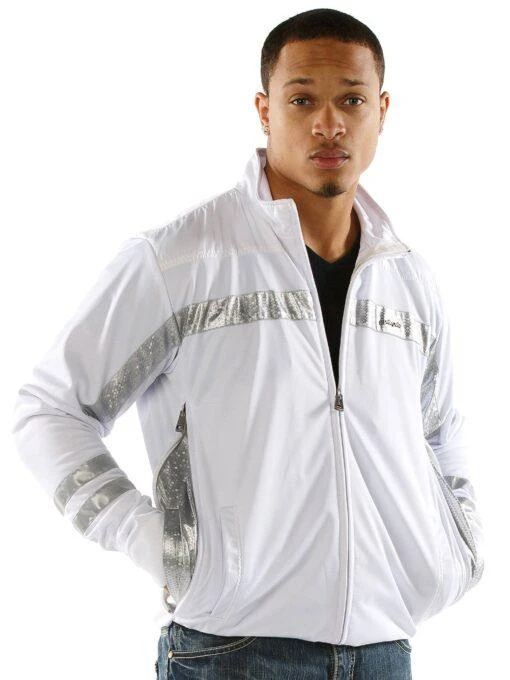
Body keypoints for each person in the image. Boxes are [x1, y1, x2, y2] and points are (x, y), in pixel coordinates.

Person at [11, 8, 485, 680]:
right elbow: (49, 409)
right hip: (233, 652)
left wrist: (454, 551)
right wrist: (156, 545)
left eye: (352, 100)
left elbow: (439, 430)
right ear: (265, 111)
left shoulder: (408, 279)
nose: (329, 124)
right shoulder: (180, 260)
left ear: (382, 111)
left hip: (385, 649)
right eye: (303, 100)